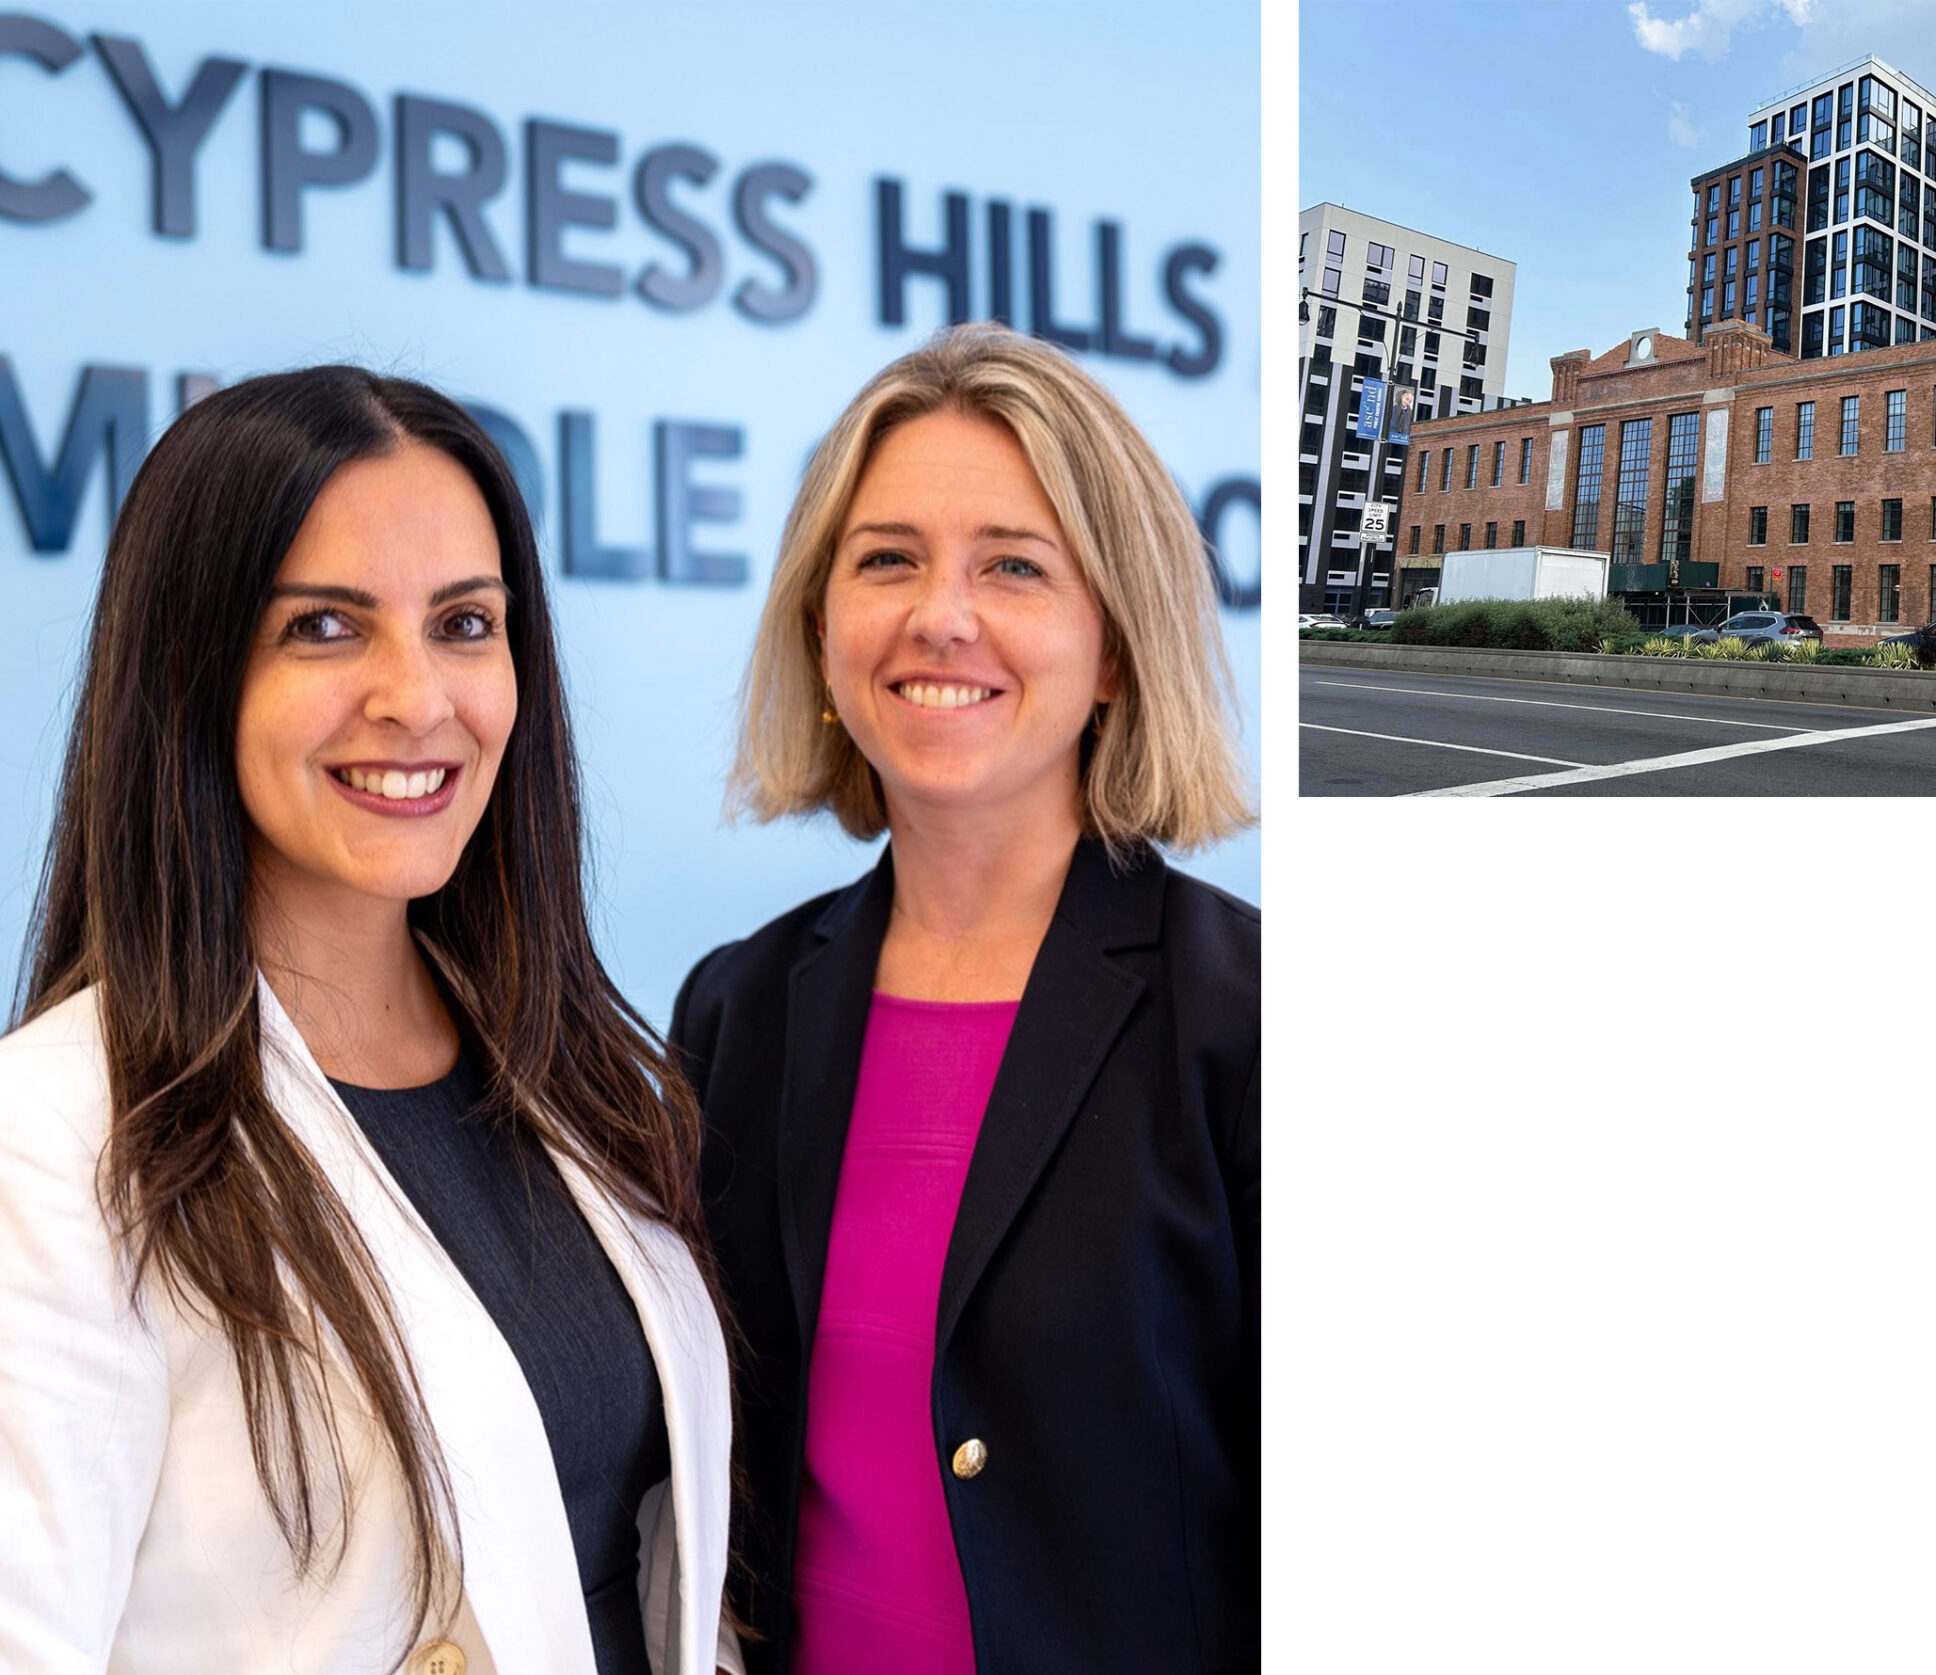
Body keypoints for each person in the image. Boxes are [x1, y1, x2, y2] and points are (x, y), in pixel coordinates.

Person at [0, 368, 736, 1674]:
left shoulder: (578, 1086)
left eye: (464, 623)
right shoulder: (52, 1140)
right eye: (325, 630)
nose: (418, 695)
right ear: (192, 672)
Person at [672, 323, 1257, 1675]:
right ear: (822, 628)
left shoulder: (1249, 1023)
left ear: (1114, 646)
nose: (943, 615)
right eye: (887, 560)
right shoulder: (736, 1011)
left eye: (1014, 566)